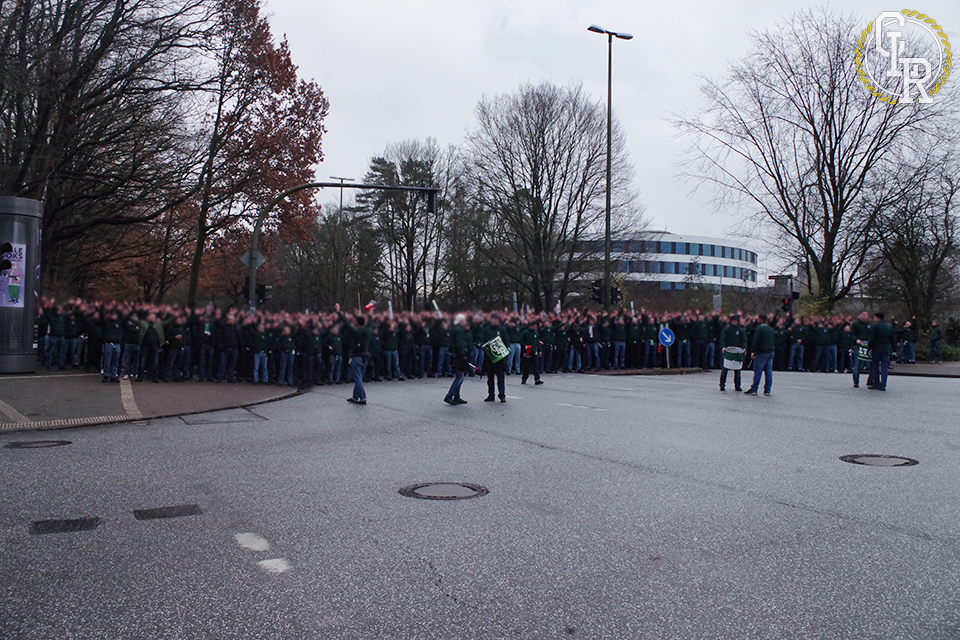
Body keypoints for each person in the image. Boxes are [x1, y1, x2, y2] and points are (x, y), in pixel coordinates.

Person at [482, 313, 510, 403]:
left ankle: (502, 394)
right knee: (490, 377)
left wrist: (508, 347)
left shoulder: (502, 329)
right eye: (494, 319)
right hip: (489, 356)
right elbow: (482, 340)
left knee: (500, 376)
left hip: (499, 357)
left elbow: (506, 339)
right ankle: (491, 394)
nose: (496, 321)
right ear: (491, 320)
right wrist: (484, 346)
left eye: (497, 319)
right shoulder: (486, 329)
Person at [745, 314, 775, 396]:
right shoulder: (771, 329)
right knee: (768, 372)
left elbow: (756, 341)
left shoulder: (759, 329)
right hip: (770, 351)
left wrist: (753, 351)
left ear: (761, 319)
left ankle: (754, 388)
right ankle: (767, 390)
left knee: (758, 371)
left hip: (761, 352)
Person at [443, 314, 470, 405]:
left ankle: (457, 397)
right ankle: (449, 396)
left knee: (460, 376)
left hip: (455, 354)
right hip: (458, 356)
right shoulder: (460, 330)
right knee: (459, 378)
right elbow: (459, 344)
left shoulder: (454, 328)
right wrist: (463, 355)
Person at [719, 314, 746, 391]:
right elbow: (723, 339)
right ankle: (722, 385)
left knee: (737, 370)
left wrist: (744, 348)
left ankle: (737, 385)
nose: (734, 322)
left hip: (737, 351)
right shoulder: (726, 329)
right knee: (725, 368)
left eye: (736, 321)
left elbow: (744, 340)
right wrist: (723, 347)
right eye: (733, 321)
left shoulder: (740, 330)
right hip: (728, 350)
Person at [868, 311, 893, 391]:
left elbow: (872, 338)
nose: (874, 319)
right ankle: (883, 384)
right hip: (886, 347)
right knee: (884, 366)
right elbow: (893, 338)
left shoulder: (875, 326)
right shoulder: (889, 326)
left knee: (875, 366)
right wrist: (894, 348)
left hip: (876, 348)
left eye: (874, 317)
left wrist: (869, 347)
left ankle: (876, 383)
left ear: (878, 318)